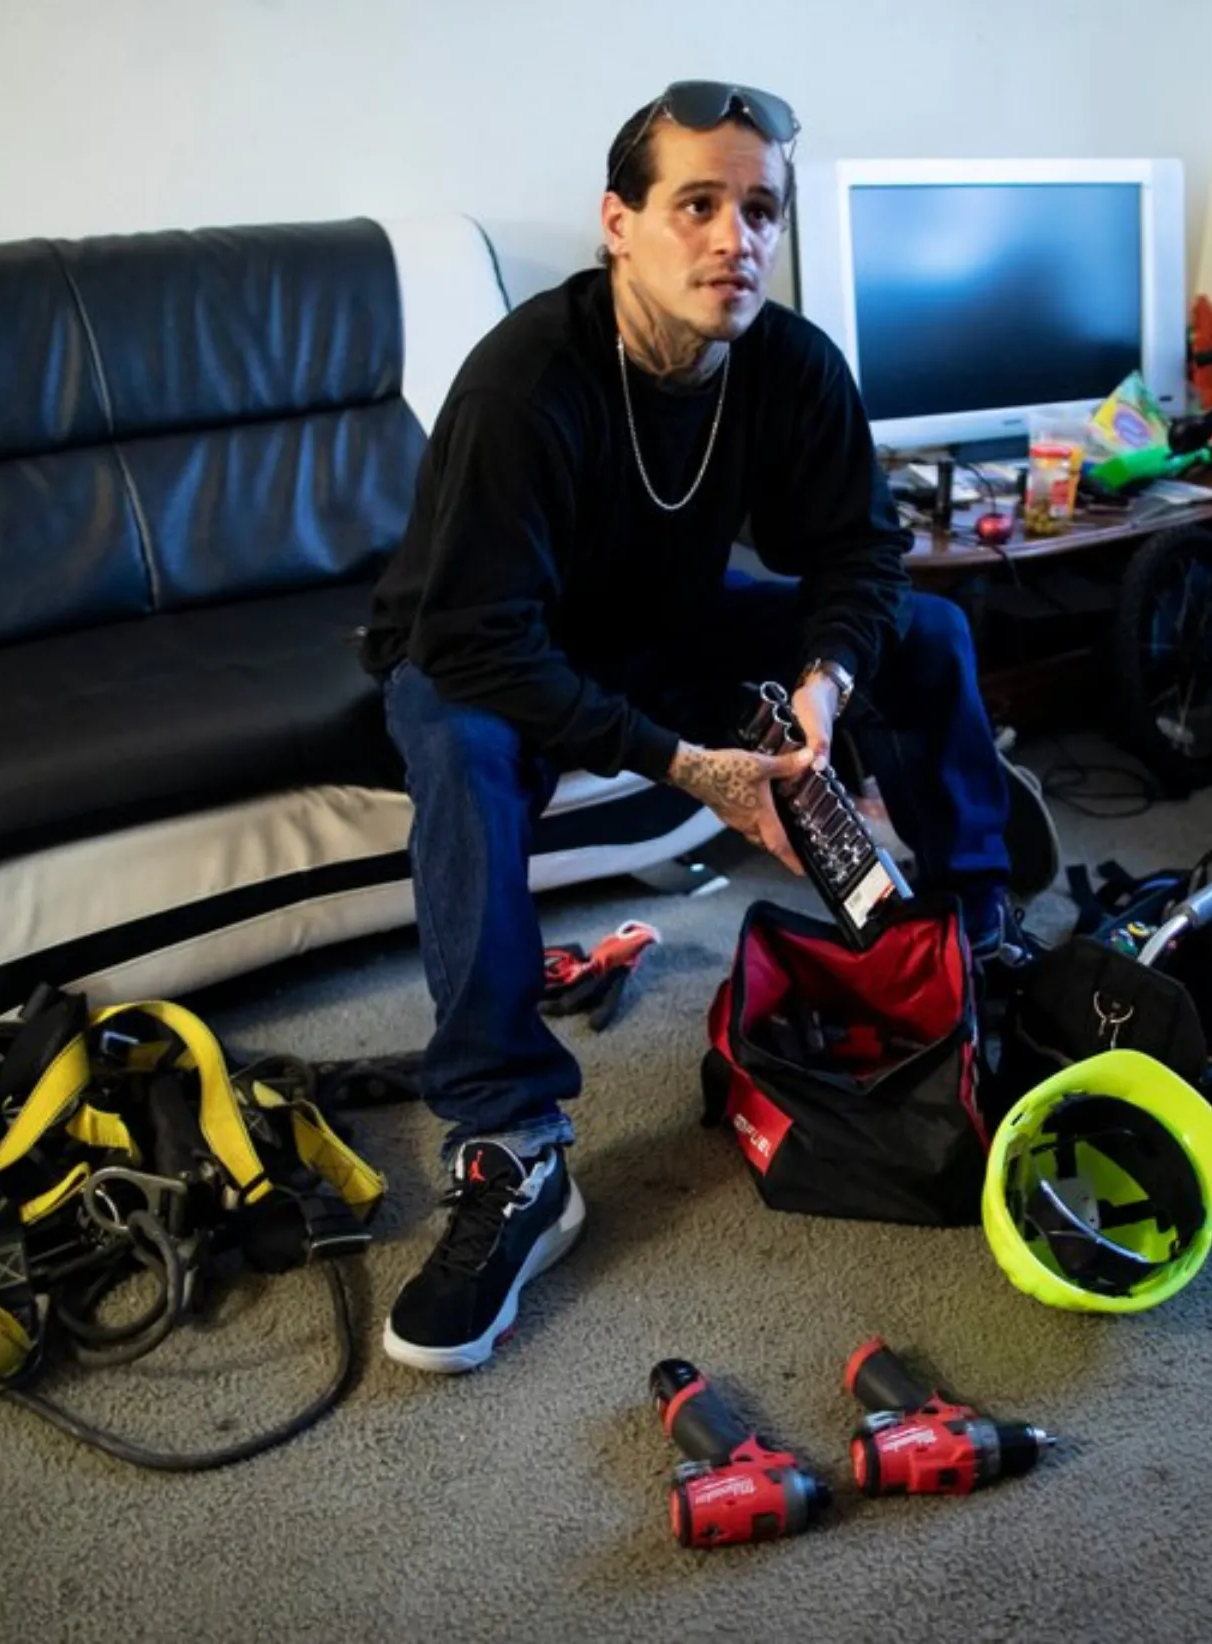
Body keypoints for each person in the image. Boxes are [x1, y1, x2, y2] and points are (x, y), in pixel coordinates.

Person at [359, 80, 1030, 1374]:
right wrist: (690, 770)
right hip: (482, 647)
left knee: (929, 637)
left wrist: (826, 687)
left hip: (667, 629)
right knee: (461, 743)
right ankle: (515, 1147)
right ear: (620, 223)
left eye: (761, 209)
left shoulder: (787, 365)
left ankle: (975, 945)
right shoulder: (526, 383)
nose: (738, 239)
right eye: (699, 205)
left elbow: (861, 555)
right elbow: (475, 640)